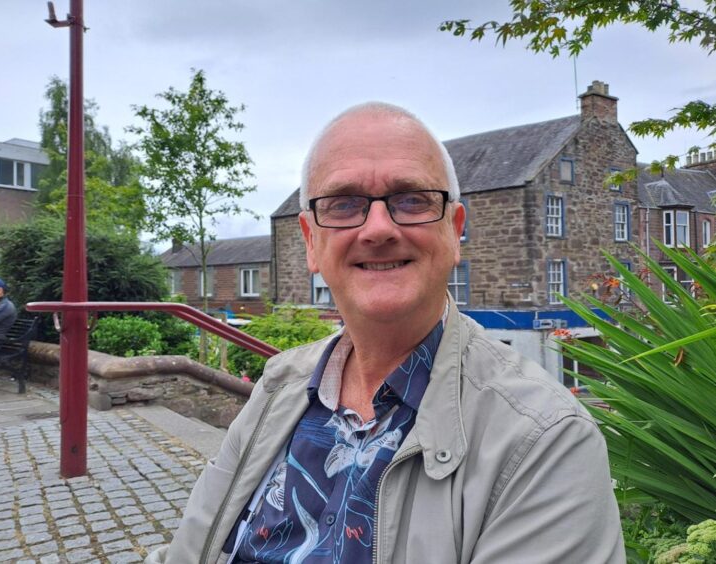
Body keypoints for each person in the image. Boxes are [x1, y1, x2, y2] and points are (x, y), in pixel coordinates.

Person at [148, 103, 624, 563]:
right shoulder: (279, 385)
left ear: (454, 231)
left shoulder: (544, 439)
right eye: (344, 203)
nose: (377, 228)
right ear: (312, 242)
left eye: (412, 199)